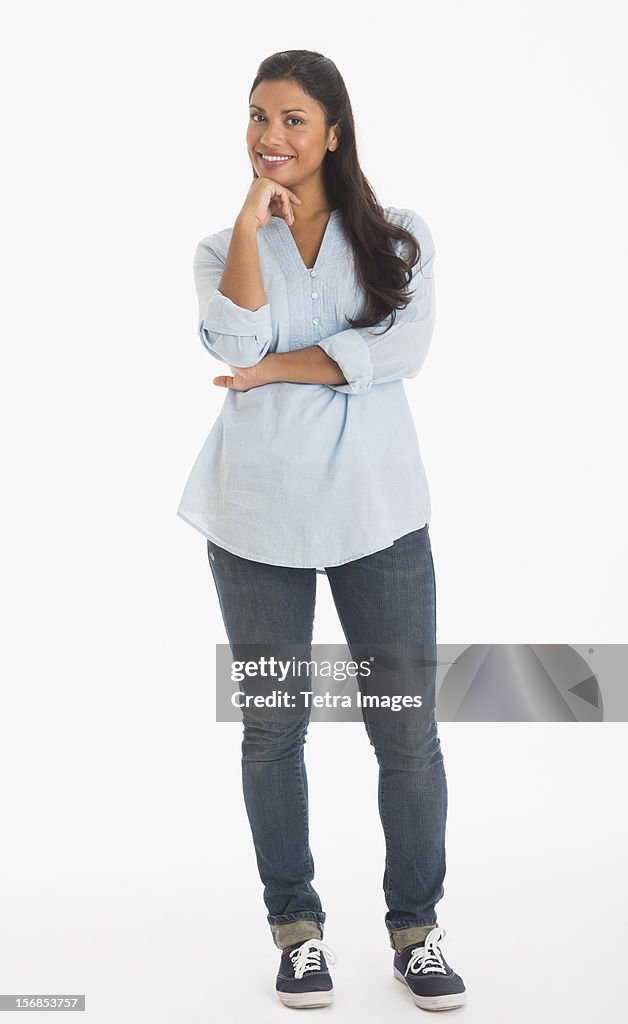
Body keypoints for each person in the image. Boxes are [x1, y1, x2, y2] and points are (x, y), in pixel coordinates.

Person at [177, 49, 467, 1012]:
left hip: (379, 517)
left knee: (407, 732)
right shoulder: (223, 249)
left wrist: (276, 373)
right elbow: (233, 345)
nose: (271, 136)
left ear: (334, 131)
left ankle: (415, 932)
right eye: (259, 116)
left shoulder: (399, 238)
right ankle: (297, 930)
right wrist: (259, 236)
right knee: (273, 728)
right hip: (254, 518)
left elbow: (406, 350)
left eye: (294, 119)